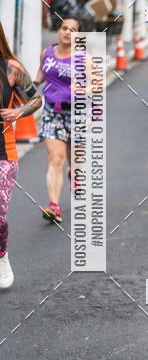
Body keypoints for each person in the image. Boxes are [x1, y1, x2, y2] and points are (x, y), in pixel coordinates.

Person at [0, 25, 43, 287]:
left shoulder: (11, 68)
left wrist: (18, 112)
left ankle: (1, 256)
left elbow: (37, 99)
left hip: (3, 153)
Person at [36, 16, 84, 224]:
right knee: (56, 158)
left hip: (77, 114)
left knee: (76, 159)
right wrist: (33, 83)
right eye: (64, 28)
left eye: (73, 30)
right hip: (52, 112)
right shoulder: (46, 53)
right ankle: (53, 205)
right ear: (59, 30)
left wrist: (85, 88)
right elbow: (41, 73)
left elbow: (98, 84)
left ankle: (76, 173)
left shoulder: (83, 58)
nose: (67, 32)